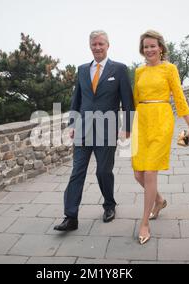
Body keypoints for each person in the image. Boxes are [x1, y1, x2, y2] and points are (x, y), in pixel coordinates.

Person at [54, 31, 134, 231]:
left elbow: (128, 101)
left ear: (108, 45)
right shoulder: (82, 70)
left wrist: (127, 128)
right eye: (93, 44)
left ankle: (109, 205)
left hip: (107, 130)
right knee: (77, 172)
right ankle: (70, 216)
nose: (97, 47)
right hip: (82, 128)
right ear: (89, 46)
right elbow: (76, 100)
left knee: (103, 171)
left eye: (100, 44)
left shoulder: (119, 69)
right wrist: (72, 124)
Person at [131, 30, 189, 245]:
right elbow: (135, 100)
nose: (149, 50)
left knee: (150, 172)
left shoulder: (169, 68)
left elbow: (178, 95)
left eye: (152, 46)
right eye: (145, 46)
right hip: (141, 122)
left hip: (161, 120)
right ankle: (159, 201)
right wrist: (126, 127)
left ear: (161, 48)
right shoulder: (139, 71)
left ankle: (144, 223)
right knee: (138, 175)